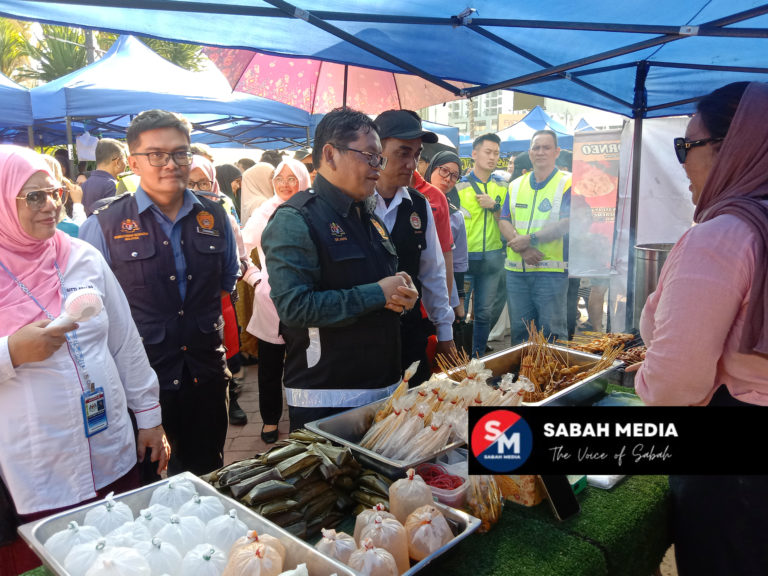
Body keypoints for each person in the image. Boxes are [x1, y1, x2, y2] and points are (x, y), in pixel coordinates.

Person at [0, 145, 169, 573]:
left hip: (108, 446)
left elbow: (124, 341)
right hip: (36, 466)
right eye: (33, 197)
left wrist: (148, 417)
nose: (50, 204)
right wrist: (11, 352)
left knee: (122, 557)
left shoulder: (80, 256)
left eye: (54, 192)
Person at [631, 81, 768, 576]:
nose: (682, 162)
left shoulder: (722, 237)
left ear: (735, 148)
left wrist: (646, 379)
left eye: (687, 146)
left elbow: (674, 384)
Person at [80, 109, 239, 477]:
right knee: (145, 483)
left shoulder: (214, 217)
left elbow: (225, 281)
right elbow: (92, 313)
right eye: (156, 155)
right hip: (140, 384)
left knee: (207, 476)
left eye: (180, 153)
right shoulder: (102, 225)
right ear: (133, 162)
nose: (170, 163)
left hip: (206, 375)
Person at [261, 107, 418, 431]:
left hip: (383, 387)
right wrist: (377, 293)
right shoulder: (296, 218)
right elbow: (294, 307)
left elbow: (375, 288)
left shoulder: (368, 214)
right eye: (371, 157)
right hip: (328, 398)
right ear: (330, 155)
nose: (378, 168)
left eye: (380, 159)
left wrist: (399, 293)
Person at [372, 110, 455, 385]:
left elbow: (433, 272)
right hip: (362, 337)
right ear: (376, 150)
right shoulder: (352, 204)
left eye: (417, 154)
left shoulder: (419, 205)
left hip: (410, 332)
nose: (412, 163)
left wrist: (445, 332)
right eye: (403, 152)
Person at [241, 158, 311, 443]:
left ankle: (302, 415)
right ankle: (270, 419)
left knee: (303, 364)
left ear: (303, 180)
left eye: (292, 178)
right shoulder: (265, 211)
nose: (285, 184)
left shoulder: (313, 209)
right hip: (271, 301)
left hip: (306, 301)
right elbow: (240, 249)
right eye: (279, 178)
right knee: (269, 366)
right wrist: (255, 278)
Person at [188, 155, 250, 427]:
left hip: (219, 299)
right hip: (183, 303)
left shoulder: (222, 209)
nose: (197, 187)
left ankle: (231, 399)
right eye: (190, 182)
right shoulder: (167, 214)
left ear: (213, 182)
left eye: (203, 181)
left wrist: (226, 282)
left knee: (225, 353)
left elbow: (239, 254)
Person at [498, 130, 572, 344]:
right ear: (530, 152)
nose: (541, 152)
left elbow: (568, 222)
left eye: (546, 147)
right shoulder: (515, 184)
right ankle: (522, 377)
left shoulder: (567, 183)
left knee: (552, 333)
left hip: (551, 272)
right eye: (536, 148)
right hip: (516, 271)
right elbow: (503, 220)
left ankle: (553, 378)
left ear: (557, 152)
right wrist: (523, 248)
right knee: (520, 333)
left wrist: (530, 239)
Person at [455, 133, 508, 357]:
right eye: (488, 152)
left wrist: (494, 205)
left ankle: (477, 358)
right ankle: (457, 359)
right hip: (465, 260)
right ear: (474, 154)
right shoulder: (458, 187)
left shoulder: (504, 187)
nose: (493, 157)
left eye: (496, 153)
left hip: (493, 260)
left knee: (484, 313)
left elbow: (509, 220)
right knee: (459, 313)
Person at [426, 150, 470, 354]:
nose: (448, 179)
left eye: (454, 175)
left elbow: (458, 262)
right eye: (444, 171)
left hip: (446, 285)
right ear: (431, 169)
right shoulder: (410, 202)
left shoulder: (456, 216)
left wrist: (459, 301)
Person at [81, 138, 127, 217]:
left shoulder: (84, 185)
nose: (126, 165)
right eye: (126, 161)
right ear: (118, 162)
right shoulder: (113, 186)